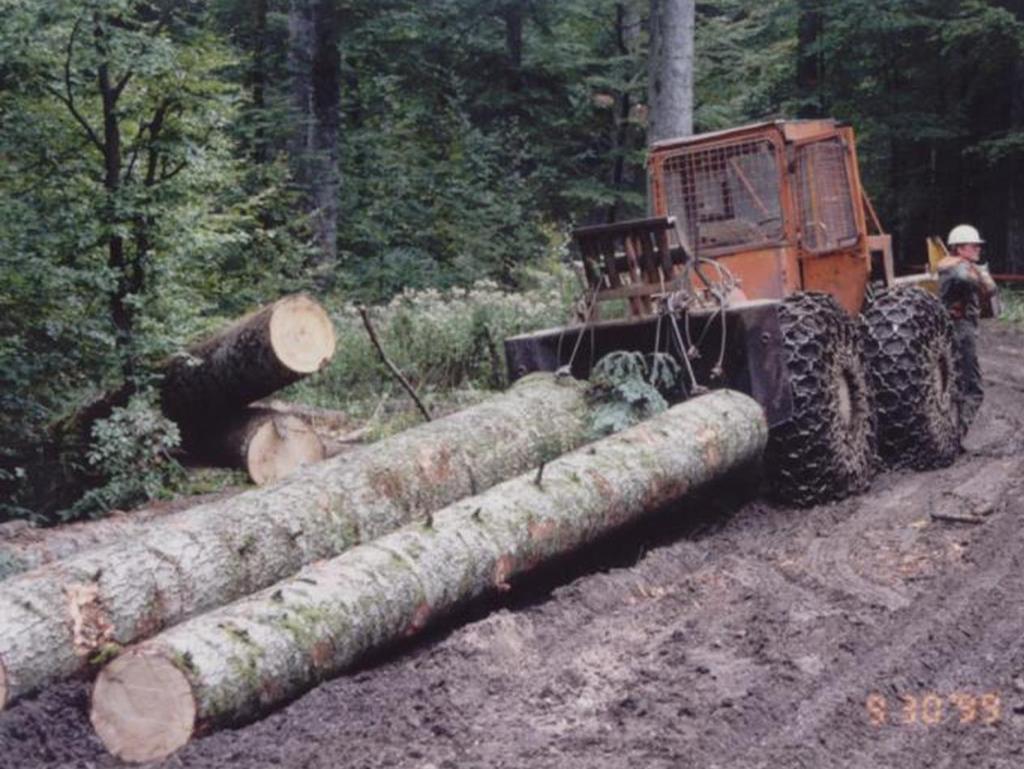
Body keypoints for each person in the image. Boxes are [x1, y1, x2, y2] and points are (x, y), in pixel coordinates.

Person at [937, 224, 997, 431]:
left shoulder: (950, 265)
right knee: (972, 388)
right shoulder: (959, 267)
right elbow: (968, 280)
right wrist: (980, 276)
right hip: (962, 329)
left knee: (957, 384)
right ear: (959, 248)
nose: (978, 249)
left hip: (954, 328)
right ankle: (957, 433)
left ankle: (951, 431)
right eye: (974, 246)